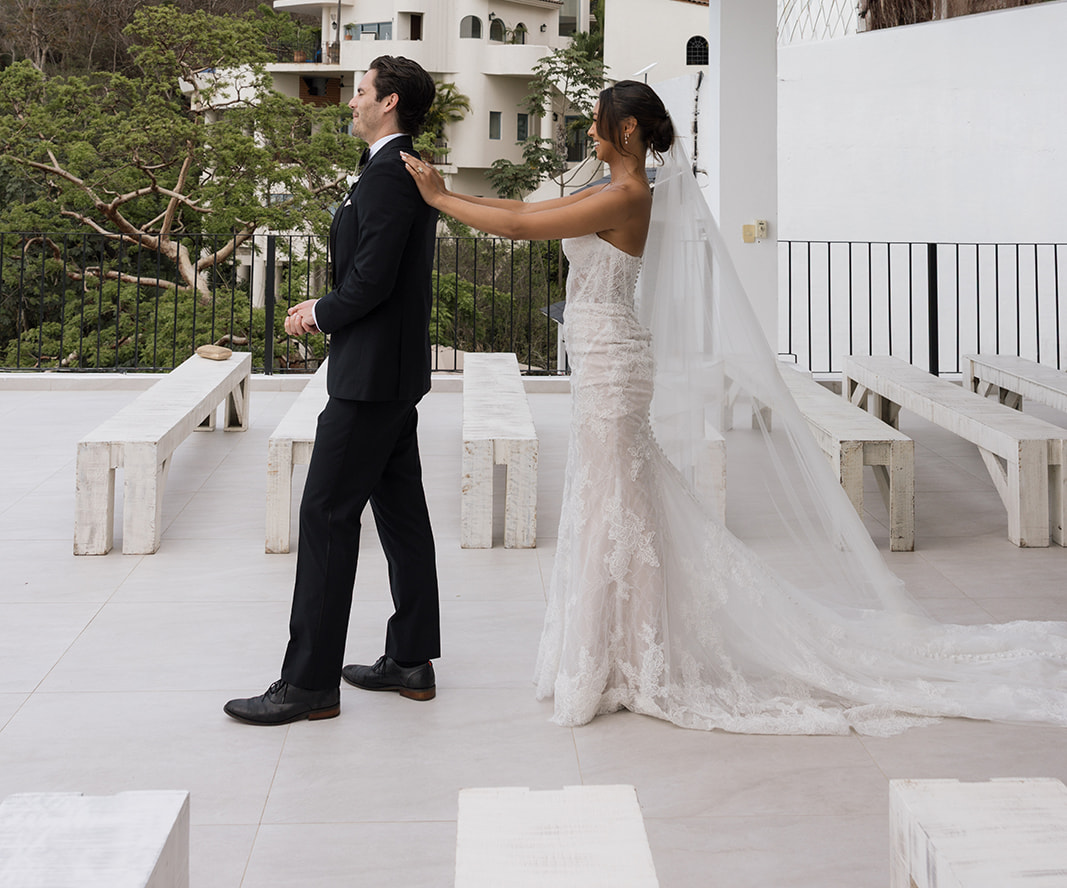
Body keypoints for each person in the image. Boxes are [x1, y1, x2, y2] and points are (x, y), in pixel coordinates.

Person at [402, 77, 1067, 735]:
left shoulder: (629, 194)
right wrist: (447, 191)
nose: (591, 127)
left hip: (612, 365)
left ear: (626, 129)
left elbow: (519, 227)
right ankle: (624, 651)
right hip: (603, 361)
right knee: (614, 507)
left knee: (613, 507)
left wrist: (436, 198)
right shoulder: (607, 189)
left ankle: (629, 658)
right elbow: (522, 205)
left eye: (599, 117)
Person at [225, 56, 441, 725]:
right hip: (385, 372)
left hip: (370, 377)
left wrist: (315, 313)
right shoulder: (391, 169)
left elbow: (372, 280)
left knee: (324, 516)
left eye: (362, 91)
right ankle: (409, 659)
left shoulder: (389, 176)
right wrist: (325, 304)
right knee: (401, 514)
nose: (351, 100)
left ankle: (309, 682)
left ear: (390, 101)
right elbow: (374, 274)